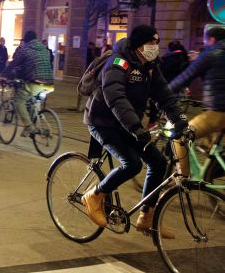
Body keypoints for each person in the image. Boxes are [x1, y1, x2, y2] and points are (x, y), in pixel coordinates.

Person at [82, 25, 187, 235]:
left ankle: (146, 217)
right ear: (139, 45)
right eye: (151, 43)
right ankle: (93, 195)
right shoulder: (118, 62)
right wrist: (136, 127)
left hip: (129, 125)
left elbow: (164, 96)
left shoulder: (150, 66)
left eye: (157, 43)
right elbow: (116, 98)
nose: (155, 47)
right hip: (103, 122)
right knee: (133, 164)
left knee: (159, 163)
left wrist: (180, 120)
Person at [169, 26, 225, 173]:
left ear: (212, 39)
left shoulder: (210, 54)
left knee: (179, 137)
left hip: (218, 112)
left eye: (206, 40)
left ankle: (183, 180)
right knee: (213, 146)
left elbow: (185, 76)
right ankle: (211, 173)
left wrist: (163, 93)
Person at [1, 31, 54, 134]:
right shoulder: (44, 49)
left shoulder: (25, 50)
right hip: (49, 83)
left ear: (26, 40)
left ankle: (29, 126)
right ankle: (33, 124)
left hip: (35, 82)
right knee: (30, 100)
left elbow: (13, 64)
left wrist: (3, 75)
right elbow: (35, 64)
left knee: (19, 101)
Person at [146, 40, 189, 128]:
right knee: (172, 105)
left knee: (157, 101)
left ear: (169, 48)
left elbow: (163, 72)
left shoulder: (170, 58)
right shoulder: (184, 57)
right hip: (178, 85)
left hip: (168, 84)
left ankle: (152, 122)